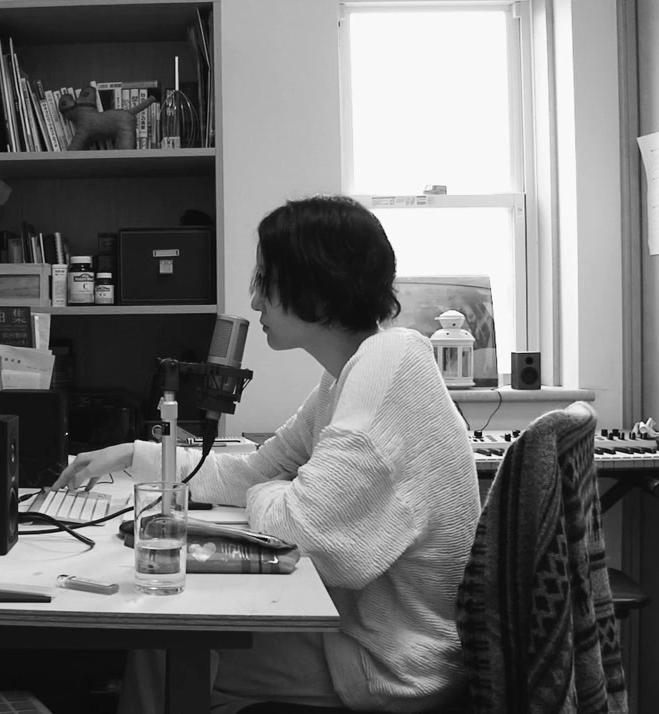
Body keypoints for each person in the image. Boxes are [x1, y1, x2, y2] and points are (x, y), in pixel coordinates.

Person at [52, 195, 482, 713]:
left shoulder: (387, 370)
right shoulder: (347, 377)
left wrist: (275, 490)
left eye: (265, 281)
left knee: (165, 637)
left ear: (314, 285)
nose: (255, 302)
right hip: (364, 631)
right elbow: (253, 472)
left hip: (394, 663)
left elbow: (303, 532)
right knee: (175, 624)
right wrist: (132, 454)